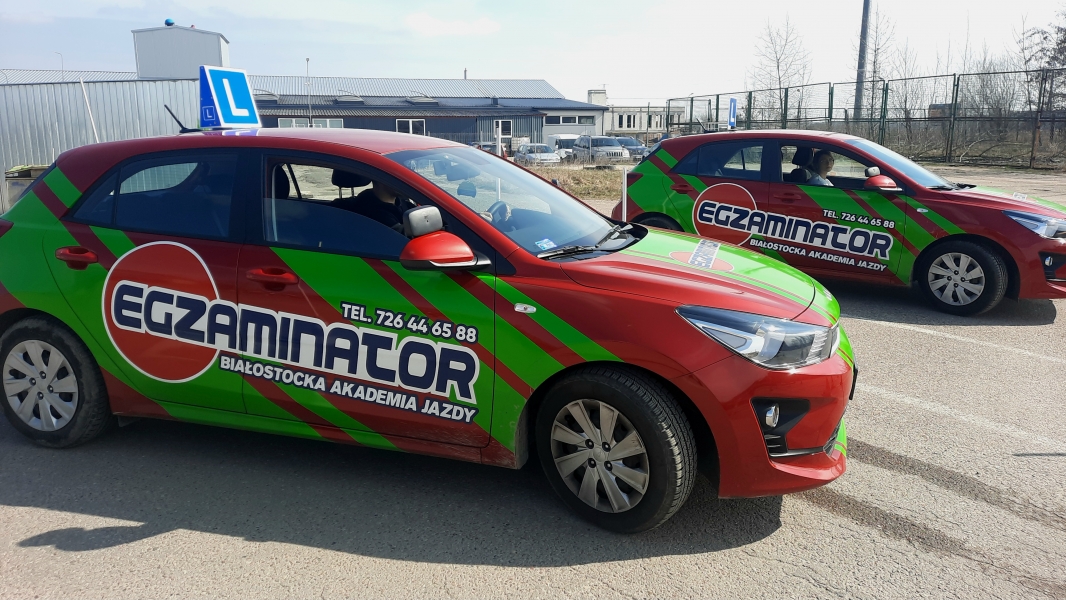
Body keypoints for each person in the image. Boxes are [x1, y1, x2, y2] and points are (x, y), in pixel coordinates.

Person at [342, 180, 415, 232]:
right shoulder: (371, 211)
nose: (403, 182)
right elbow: (402, 236)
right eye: (396, 178)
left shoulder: (401, 202)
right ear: (380, 180)